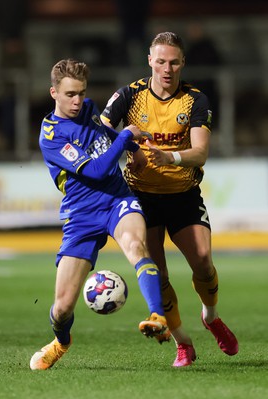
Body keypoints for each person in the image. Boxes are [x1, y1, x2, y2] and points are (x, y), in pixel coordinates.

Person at [101, 32, 239, 368]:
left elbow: (200, 152)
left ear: (182, 63)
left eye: (174, 62)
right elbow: (100, 129)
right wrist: (127, 147)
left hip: (182, 195)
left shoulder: (195, 99)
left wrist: (169, 159)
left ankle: (211, 315)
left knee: (204, 261)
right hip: (140, 198)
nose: (167, 68)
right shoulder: (129, 95)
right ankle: (184, 344)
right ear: (150, 60)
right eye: (161, 61)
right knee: (157, 274)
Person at [29, 59, 171, 371]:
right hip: (80, 215)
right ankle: (61, 341)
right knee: (62, 307)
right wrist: (124, 139)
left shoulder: (88, 108)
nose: (77, 101)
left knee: (137, 245)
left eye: (80, 93)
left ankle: (157, 316)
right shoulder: (51, 136)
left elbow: (104, 133)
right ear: (54, 92)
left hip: (116, 200)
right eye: (69, 95)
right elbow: (95, 169)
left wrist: (132, 147)